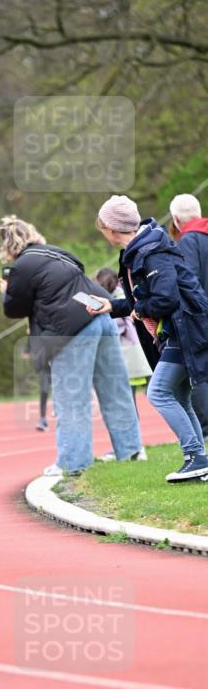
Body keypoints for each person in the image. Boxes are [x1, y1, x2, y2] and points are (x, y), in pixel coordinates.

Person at [0, 215, 143, 476]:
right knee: (115, 389)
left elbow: (14, 308)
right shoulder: (58, 252)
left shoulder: (22, 267)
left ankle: (73, 463)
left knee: (72, 398)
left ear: (9, 247)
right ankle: (132, 450)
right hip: (101, 312)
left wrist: (4, 291)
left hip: (72, 329)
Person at [94, 195, 208, 482]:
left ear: (111, 227)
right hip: (178, 331)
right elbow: (143, 299)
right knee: (179, 396)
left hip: (187, 330)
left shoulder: (152, 251)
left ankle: (196, 456)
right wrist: (113, 307)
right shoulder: (138, 250)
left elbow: (165, 298)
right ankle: (198, 459)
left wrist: (138, 311)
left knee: (157, 392)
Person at [169, 193, 208, 436]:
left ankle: (204, 429)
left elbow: (188, 281)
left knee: (200, 373)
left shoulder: (188, 241)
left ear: (175, 219)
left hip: (201, 318)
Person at [95, 268, 151, 418]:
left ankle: (135, 427)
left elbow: (121, 324)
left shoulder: (119, 296)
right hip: (131, 348)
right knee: (140, 390)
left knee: (132, 393)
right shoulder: (119, 295)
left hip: (129, 349)